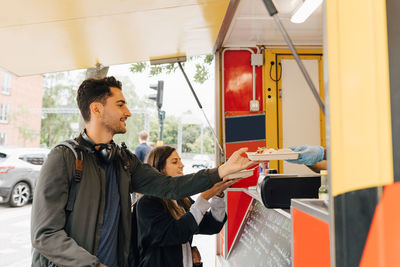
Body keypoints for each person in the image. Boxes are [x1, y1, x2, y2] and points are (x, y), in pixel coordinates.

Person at [30, 76, 256, 267]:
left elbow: (171, 187)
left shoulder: (124, 161)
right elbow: (45, 235)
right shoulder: (63, 158)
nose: (128, 112)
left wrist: (223, 170)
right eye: (120, 104)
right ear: (96, 109)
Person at [135, 146, 236, 267]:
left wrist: (217, 194)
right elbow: (177, 233)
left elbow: (211, 226)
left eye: (180, 160)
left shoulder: (181, 199)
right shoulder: (147, 203)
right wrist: (204, 197)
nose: (182, 165)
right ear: (159, 168)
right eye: (175, 162)